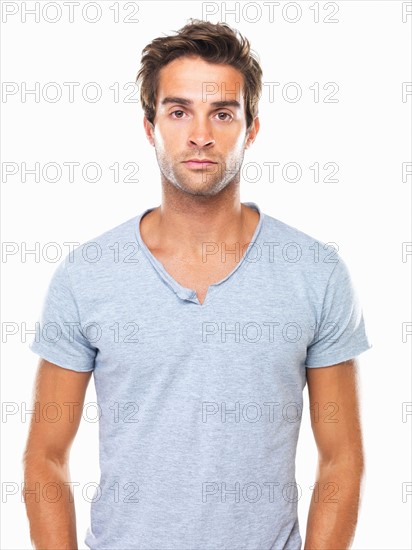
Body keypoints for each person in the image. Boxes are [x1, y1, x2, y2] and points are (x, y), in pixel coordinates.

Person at [23, 18, 372, 550]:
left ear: (251, 129)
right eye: (179, 110)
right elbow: (45, 455)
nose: (201, 134)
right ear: (150, 125)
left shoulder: (315, 273)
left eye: (223, 113)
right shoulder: (87, 275)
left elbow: (342, 456)